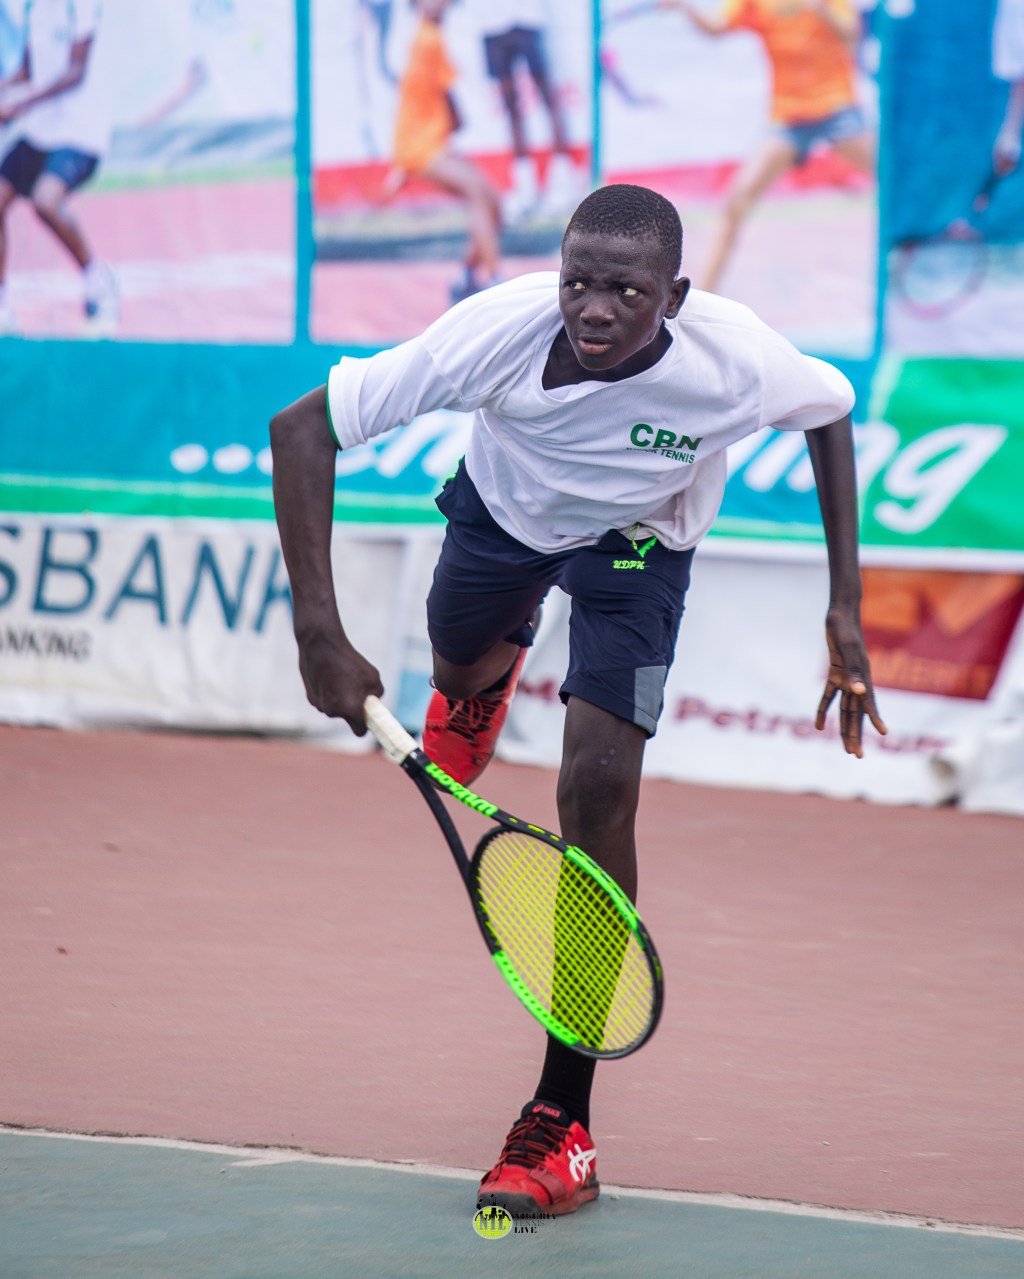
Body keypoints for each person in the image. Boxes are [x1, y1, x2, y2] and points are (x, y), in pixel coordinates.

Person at [269, 182, 886, 1218]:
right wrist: (318, 633)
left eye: (626, 292)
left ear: (673, 297)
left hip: (639, 549)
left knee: (598, 791)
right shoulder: (494, 334)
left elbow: (829, 415)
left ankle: (561, 1122)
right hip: (503, 521)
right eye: (577, 284)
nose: (595, 310)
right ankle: (483, 678)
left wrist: (845, 607)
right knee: (459, 669)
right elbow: (302, 428)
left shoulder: (736, 359)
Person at [668, 0, 873, 293]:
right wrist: (683, 7)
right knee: (736, 202)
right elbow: (715, 29)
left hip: (836, 110)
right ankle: (702, 298)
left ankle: (907, 258)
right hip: (787, 120)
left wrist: (822, 9)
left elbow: (852, 34)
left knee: (893, 181)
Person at [0, 0, 117, 335]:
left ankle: (98, 279)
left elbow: (76, 71)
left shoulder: (81, 6)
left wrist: (22, 105)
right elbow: (28, 70)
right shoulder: (33, 7)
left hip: (81, 132)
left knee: (46, 201)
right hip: (42, 130)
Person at [384, 0, 502, 304]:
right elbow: (449, 102)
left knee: (493, 202)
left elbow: (434, 99)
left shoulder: (429, 36)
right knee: (478, 194)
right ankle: (495, 280)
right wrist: (456, 120)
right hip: (420, 148)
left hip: (431, 143)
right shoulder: (429, 39)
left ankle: (466, 276)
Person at [477, 0, 586, 223]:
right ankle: (525, 185)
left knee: (548, 96)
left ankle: (563, 177)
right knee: (509, 104)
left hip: (526, 16)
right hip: (489, 21)